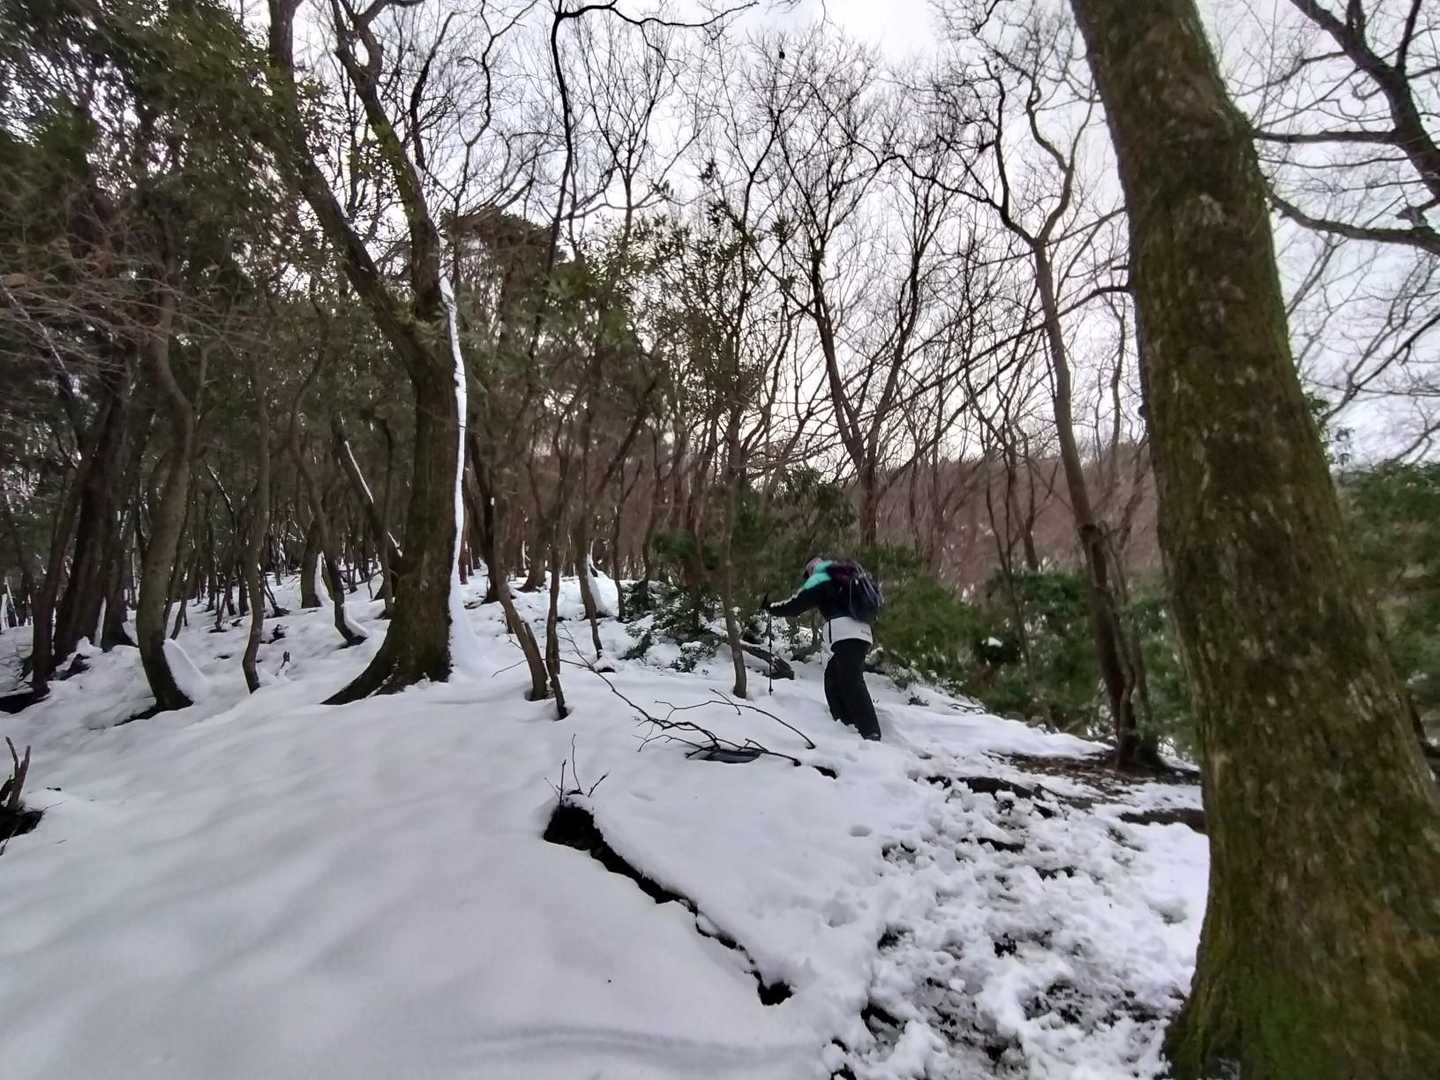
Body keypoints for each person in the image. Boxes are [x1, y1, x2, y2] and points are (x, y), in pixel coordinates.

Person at [765, 557, 882, 741]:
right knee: (833, 675)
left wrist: (771, 608)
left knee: (852, 680)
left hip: (846, 633)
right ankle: (846, 723)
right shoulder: (843, 580)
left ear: (811, 570)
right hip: (863, 633)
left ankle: (870, 731)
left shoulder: (821, 579)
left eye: (807, 575)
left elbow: (796, 604)